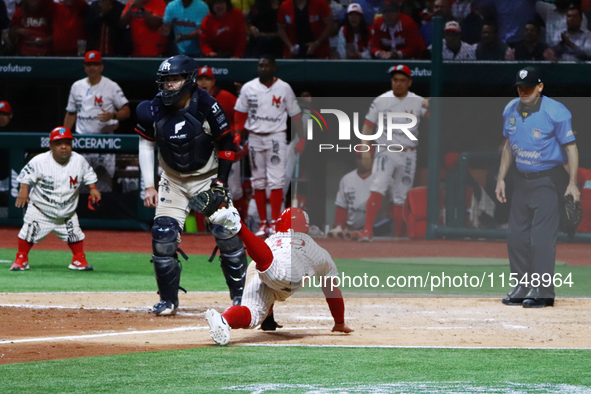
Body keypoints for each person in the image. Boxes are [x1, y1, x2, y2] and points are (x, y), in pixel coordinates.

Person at [135, 55, 248, 315]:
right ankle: (168, 300)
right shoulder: (151, 108)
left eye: (174, 80)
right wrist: (149, 185)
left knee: (226, 233)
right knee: (162, 236)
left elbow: (228, 146)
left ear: (189, 80)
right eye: (165, 81)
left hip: (206, 178)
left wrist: (220, 183)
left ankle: (241, 297)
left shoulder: (208, 106)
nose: (168, 86)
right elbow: (146, 144)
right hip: (172, 181)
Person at [204, 206, 354, 345]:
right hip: (290, 265)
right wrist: (339, 322)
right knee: (275, 274)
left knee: (252, 313)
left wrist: (268, 320)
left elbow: (269, 278)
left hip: (259, 265)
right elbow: (332, 291)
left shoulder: (271, 239)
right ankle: (239, 226)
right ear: (305, 227)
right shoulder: (318, 250)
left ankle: (223, 320)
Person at [496, 67, 579, 308]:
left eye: (529, 87)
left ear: (540, 87)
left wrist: (572, 184)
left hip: (548, 180)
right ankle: (522, 286)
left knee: (541, 240)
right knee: (516, 238)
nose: (523, 91)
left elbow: (571, 147)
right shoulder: (510, 109)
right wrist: (501, 178)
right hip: (521, 180)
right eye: (520, 87)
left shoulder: (557, 111)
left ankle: (544, 291)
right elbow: (508, 146)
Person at [10, 127, 101, 271]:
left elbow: (88, 174)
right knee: (27, 232)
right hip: (41, 209)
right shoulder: (40, 161)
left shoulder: (79, 160)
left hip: (67, 210)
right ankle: (21, 258)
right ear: (51, 145)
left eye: (67, 143)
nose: (63, 147)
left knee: (75, 234)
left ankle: (78, 258)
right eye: (59, 143)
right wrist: (23, 190)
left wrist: (93, 188)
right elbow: (25, 175)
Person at [234, 55, 304, 238]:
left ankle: (274, 223)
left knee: (276, 181)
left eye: (266, 66)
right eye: (260, 65)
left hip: (276, 136)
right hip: (255, 136)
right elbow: (240, 112)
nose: (263, 68)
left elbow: (295, 115)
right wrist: (237, 133)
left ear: (274, 68)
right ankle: (263, 224)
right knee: (258, 180)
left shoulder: (284, 88)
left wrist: (302, 138)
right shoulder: (249, 87)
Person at [358, 64, 428, 241]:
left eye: (402, 80)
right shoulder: (381, 100)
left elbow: (434, 118)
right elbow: (368, 125)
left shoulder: (418, 101)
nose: (398, 83)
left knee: (401, 195)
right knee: (378, 186)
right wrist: (365, 148)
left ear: (409, 82)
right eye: (395, 80)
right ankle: (367, 230)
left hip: (408, 152)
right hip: (386, 150)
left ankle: (398, 236)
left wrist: (431, 105)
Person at [64, 51, 130, 192]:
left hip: (104, 143)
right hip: (82, 142)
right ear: (85, 67)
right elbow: (71, 113)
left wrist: (113, 115)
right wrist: (64, 136)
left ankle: (102, 213)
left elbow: (126, 111)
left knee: (103, 186)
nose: (92, 67)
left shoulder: (111, 86)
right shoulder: (77, 86)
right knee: (79, 185)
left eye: (95, 64)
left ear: (101, 67)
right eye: (89, 64)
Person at [196, 65, 248, 220]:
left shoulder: (225, 96)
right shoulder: (192, 98)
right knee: (201, 191)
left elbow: (240, 115)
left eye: (207, 79)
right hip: (204, 150)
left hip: (225, 147)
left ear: (214, 81)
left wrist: (237, 134)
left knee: (234, 191)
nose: (204, 82)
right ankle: (201, 234)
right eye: (200, 79)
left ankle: (241, 226)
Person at [329, 152, 375, 238]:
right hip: (351, 230)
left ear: (373, 158)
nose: (362, 161)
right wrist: (339, 228)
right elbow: (341, 207)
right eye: (359, 157)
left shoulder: (381, 178)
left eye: (365, 157)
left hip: (377, 230)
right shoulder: (347, 179)